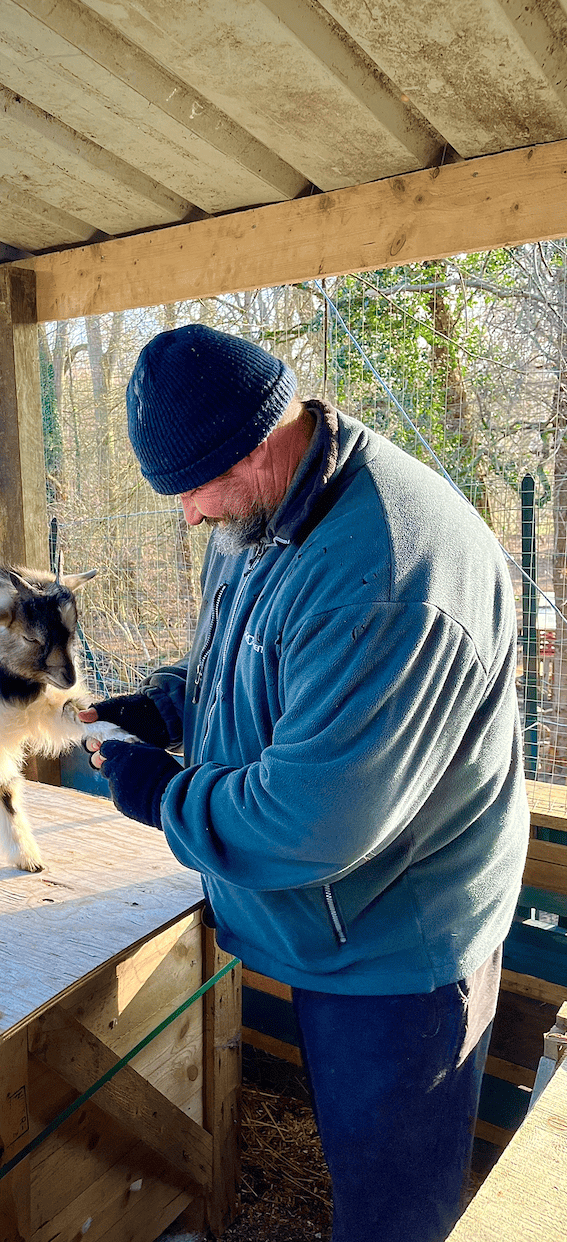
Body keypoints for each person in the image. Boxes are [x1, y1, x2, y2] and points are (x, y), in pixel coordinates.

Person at [80, 323, 529, 1242]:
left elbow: (310, 820)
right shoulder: (260, 510)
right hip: (333, 915)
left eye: (193, 491)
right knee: (356, 1156)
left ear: (257, 444)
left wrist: (158, 793)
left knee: (393, 1204)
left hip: (400, 937)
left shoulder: (387, 574)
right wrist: (166, 707)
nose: (189, 517)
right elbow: (249, 661)